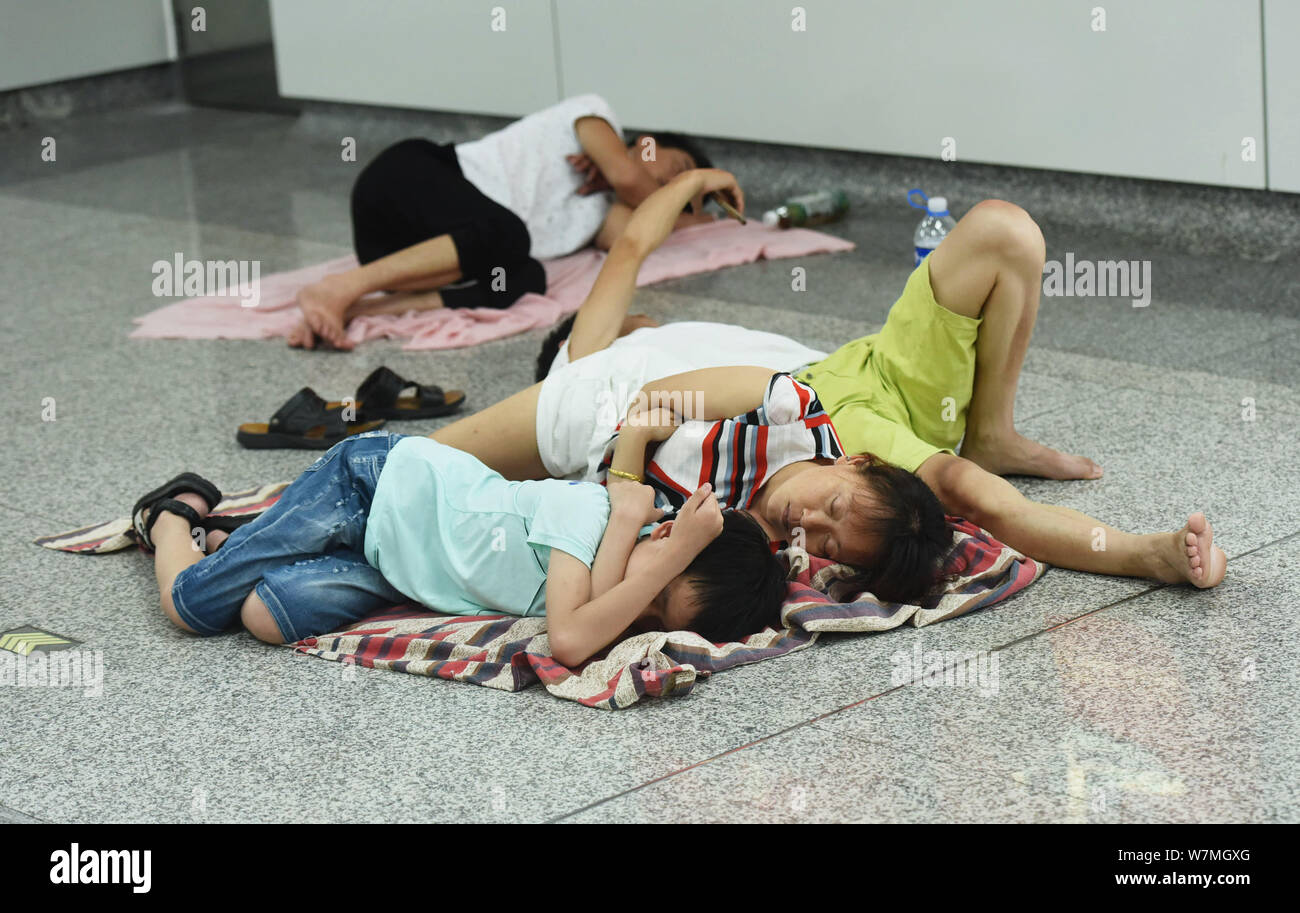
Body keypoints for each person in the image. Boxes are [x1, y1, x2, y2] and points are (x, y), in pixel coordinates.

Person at [524, 198, 1229, 591]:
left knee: (1004, 231)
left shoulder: (687, 334)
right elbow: (628, 250)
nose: (647, 319)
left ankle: (991, 427)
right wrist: (698, 179)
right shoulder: (586, 361)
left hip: (854, 371)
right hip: (832, 424)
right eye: (638, 319)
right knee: (971, 492)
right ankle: (1147, 553)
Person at [432, 167, 955, 604]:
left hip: (607, 456)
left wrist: (695, 183)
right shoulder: (584, 354)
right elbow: (646, 395)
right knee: (410, 463)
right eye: (833, 509)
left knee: (431, 481)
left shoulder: (782, 511)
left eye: (830, 544)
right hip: (596, 409)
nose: (810, 522)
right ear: (856, 460)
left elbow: (634, 248)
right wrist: (692, 180)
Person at [130, 432, 787, 666]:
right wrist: (664, 556)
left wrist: (645, 550)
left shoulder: (619, 542)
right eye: (659, 590)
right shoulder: (586, 512)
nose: (637, 612)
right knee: (191, 606)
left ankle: (234, 539)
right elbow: (570, 638)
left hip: (400, 570)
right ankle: (175, 513)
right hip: (375, 486)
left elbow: (604, 600)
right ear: (667, 537)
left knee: (264, 617)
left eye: (653, 617)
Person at [289, 93, 719, 349]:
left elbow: (630, 235)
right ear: (649, 142)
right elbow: (629, 175)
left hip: (411, 258)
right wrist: (623, 172)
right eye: (678, 167)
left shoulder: (605, 211)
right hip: (404, 182)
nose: (670, 183)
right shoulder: (593, 113)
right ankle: (338, 287)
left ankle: (360, 307)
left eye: (683, 199)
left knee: (526, 276)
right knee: (509, 234)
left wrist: (672, 210)